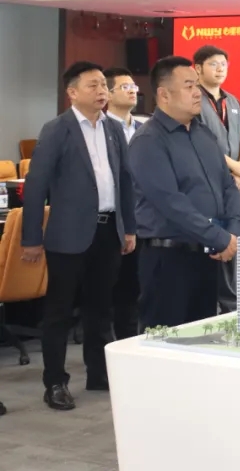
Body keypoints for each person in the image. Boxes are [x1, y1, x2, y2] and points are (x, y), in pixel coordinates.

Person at [21, 61, 137, 411]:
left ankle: (99, 374)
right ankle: (55, 382)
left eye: (103, 84)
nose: (101, 91)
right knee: (59, 312)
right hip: (68, 235)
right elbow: (36, 185)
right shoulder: (57, 129)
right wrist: (31, 238)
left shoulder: (113, 128)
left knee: (101, 308)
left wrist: (129, 227)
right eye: (93, 85)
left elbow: (125, 180)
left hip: (109, 230)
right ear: (72, 92)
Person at [128, 56, 240, 329]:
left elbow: (228, 185)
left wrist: (233, 231)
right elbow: (171, 202)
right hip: (168, 260)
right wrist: (220, 238)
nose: (197, 93)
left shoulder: (204, 135)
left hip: (208, 255)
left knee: (202, 336)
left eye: (196, 86)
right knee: (164, 341)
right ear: (164, 95)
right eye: (189, 86)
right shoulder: (148, 140)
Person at [193, 44, 240, 313]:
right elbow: (202, 143)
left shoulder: (233, 100)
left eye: (224, 64)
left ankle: (231, 307)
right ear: (197, 68)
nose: (220, 69)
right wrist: (236, 168)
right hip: (207, 183)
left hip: (233, 185)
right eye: (213, 64)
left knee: (233, 240)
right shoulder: (194, 99)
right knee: (210, 244)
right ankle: (207, 307)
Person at [104, 66, 146, 340]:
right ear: (108, 94)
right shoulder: (100, 128)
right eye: (125, 87)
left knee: (138, 290)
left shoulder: (146, 129)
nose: (132, 91)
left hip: (145, 218)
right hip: (114, 219)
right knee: (118, 293)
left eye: (134, 87)